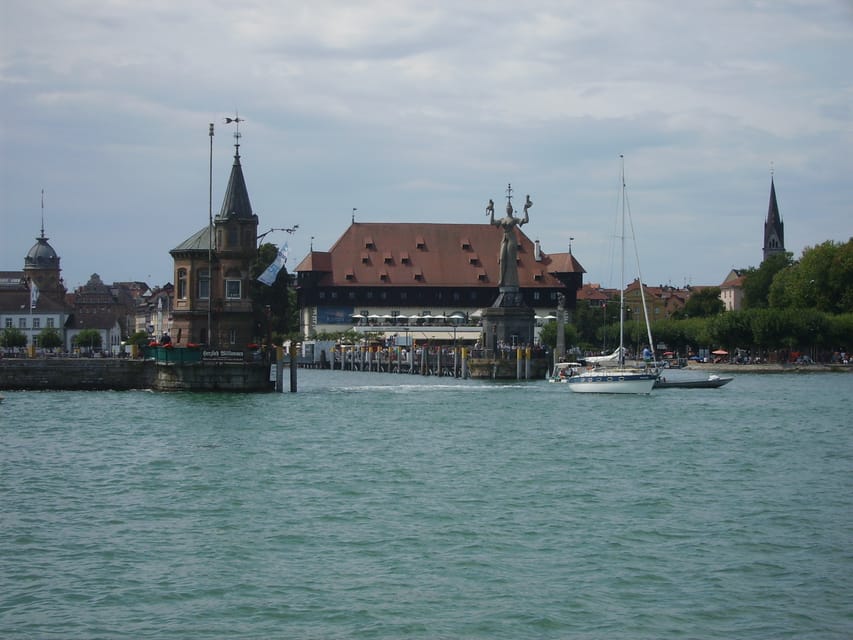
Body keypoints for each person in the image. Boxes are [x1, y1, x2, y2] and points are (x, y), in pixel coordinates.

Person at [488, 192, 531, 288]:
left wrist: (526, 209)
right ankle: (501, 280)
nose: (508, 209)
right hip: (504, 238)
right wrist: (492, 210)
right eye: (507, 208)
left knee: (511, 260)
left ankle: (512, 282)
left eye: (510, 208)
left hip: (512, 238)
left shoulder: (514, 219)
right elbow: (491, 222)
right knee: (502, 258)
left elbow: (526, 220)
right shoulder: (503, 219)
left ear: (511, 209)